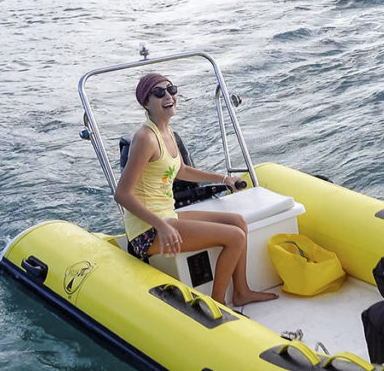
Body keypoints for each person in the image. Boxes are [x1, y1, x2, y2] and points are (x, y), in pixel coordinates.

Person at [115, 72, 277, 307]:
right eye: (159, 93)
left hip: (166, 215)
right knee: (235, 237)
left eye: (171, 89)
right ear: (145, 103)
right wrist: (162, 226)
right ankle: (218, 305)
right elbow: (122, 194)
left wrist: (223, 178)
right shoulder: (145, 138)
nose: (168, 96)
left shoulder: (167, 130)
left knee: (238, 222)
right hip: (148, 230)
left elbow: (180, 170)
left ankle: (241, 291)